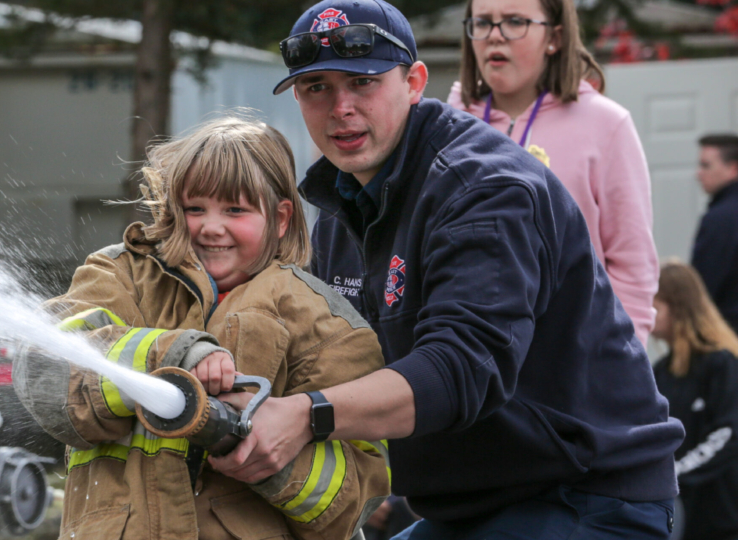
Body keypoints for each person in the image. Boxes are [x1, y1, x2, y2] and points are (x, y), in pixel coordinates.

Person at [206, 0, 686, 537]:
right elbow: (330, 362)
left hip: (583, 496)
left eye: (362, 83)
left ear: (414, 82)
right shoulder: (340, 211)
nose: (340, 107)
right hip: (468, 504)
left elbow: (460, 370)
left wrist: (305, 414)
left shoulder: (483, 190)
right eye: (317, 87)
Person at [13, 116, 389, 540]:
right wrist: (176, 355)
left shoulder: (326, 325)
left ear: (281, 217)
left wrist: (264, 449)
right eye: (195, 208)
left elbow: (356, 500)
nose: (211, 227)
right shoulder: (120, 276)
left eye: (235, 209)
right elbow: (45, 370)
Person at [446, 0, 657, 343]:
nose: (495, 37)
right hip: (470, 356)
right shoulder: (449, 122)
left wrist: (621, 364)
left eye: (515, 21)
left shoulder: (606, 124)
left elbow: (634, 267)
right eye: (483, 22)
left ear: (554, 37)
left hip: (572, 365)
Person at [651, 261, 738, 540]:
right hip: (683, 517)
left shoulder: (721, 363)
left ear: (678, 308)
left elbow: (728, 433)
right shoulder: (659, 372)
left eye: (656, 306)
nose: (648, 314)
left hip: (722, 518)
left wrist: (675, 473)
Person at [692, 133, 738, 332]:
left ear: (733, 168)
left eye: (706, 165)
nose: (698, 173)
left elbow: (704, 288)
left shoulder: (721, 220)